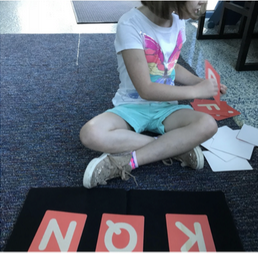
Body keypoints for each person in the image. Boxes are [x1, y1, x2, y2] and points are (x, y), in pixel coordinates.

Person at [80, 1, 227, 189]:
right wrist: (196, 91)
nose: (203, 1)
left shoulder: (178, 23)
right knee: (90, 133)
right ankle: (173, 148)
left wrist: (199, 82)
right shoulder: (130, 24)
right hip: (131, 106)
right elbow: (146, 90)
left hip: (166, 108)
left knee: (208, 124)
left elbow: (170, 66)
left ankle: (130, 161)